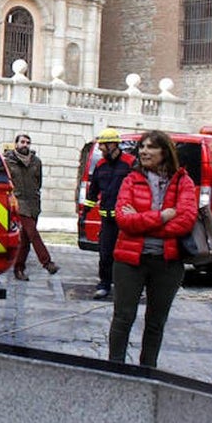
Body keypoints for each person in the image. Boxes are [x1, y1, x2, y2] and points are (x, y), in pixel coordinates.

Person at [108, 130, 197, 368]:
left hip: (167, 263)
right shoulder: (131, 180)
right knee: (123, 317)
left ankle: (148, 370)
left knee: (156, 322)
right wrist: (162, 217)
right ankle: (114, 369)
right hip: (129, 260)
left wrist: (143, 222)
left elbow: (186, 220)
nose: (144, 151)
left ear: (165, 152)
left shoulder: (184, 182)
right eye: (142, 147)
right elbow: (124, 221)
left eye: (151, 147)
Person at [84, 127, 135, 299]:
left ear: (113, 144)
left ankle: (125, 286)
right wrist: (86, 211)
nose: (100, 149)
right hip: (107, 219)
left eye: (103, 145)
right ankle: (104, 284)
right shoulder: (100, 165)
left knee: (124, 255)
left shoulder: (130, 163)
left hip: (125, 220)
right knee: (105, 254)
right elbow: (93, 190)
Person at [5, 133, 59, 281]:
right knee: (32, 232)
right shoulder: (8, 162)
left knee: (26, 239)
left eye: (28, 142)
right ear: (16, 144)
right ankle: (47, 262)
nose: (25, 145)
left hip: (33, 203)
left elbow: (38, 182)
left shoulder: (36, 162)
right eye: (22, 142)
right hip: (18, 202)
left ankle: (19, 269)